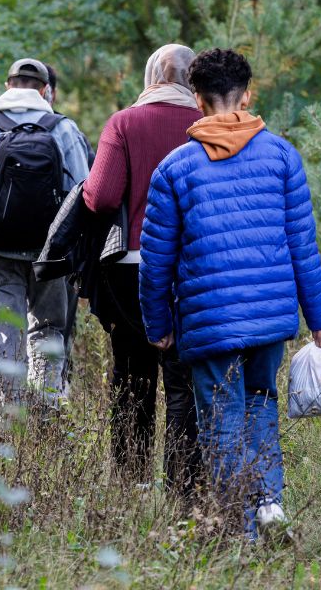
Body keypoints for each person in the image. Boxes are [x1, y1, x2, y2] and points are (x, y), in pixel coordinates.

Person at [139, 48, 321, 538]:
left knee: (221, 421)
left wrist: (159, 326)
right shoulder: (282, 156)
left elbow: (155, 261)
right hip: (271, 318)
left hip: (209, 324)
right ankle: (269, 503)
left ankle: (239, 526)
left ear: (198, 101)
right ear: (247, 95)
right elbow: (302, 247)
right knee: (260, 405)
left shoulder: (173, 169)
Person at [84, 44, 203, 491]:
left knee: (132, 374)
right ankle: (184, 485)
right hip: (193, 268)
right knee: (182, 378)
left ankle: (130, 478)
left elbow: (103, 196)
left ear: (151, 76)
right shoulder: (207, 125)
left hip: (130, 267)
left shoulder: (124, 122)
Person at [0, 59, 91, 405]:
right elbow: (83, 195)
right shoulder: (64, 129)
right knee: (49, 331)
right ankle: (47, 411)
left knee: (8, 336)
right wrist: (80, 259)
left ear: (7, 86)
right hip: (51, 253)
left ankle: (11, 418)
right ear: (45, 90)